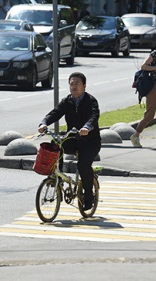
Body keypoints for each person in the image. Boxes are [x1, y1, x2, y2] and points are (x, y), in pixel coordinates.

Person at [38, 72, 101, 211]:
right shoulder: (67, 101)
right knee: (56, 145)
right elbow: (55, 113)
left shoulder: (91, 101)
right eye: (71, 84)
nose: (74, 87)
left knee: (83, 165)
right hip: (73, 138)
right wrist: (44, 123)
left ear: (84, 86)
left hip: (90, 141)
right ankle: (58, 177)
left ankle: (88, 198)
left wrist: (86, 127)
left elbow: (94, 116)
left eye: (77, 84)